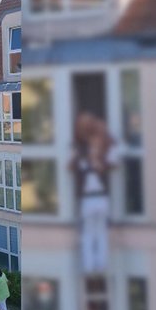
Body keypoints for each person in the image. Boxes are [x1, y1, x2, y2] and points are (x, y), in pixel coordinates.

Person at [70, 112, 119, 274]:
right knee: (95, 233)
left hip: (95, 199)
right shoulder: (87, 154)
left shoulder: (97, 156)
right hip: (95, 199)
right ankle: (94, 266)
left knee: (93, 234)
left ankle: (94, 266)